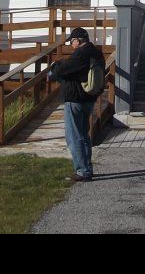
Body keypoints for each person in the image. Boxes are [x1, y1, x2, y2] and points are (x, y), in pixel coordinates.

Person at [47, 27, 104, 183]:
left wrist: (54, 67)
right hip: (89, 99)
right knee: (84, 136)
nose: (71, 45)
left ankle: (82, 171)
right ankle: (87, 168)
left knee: (74, 136)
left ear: (78, 41)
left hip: (75, 100)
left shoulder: (81, 53)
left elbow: (63, 70)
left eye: (72, 42)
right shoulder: (97, 53)